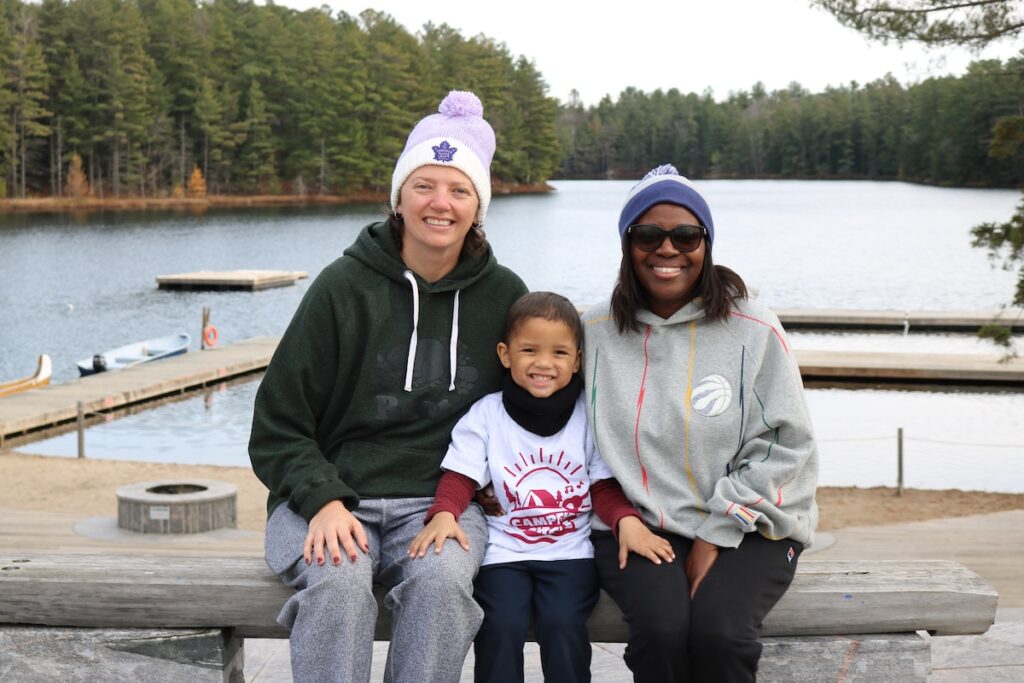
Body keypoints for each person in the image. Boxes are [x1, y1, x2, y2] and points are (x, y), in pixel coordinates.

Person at [248, 90, 528, 683]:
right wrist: (322, 498)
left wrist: (502, 477)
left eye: (459, 190)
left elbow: (531, 403)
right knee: (340, 581)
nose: (440, 203)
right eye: (424, 185)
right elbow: (278, 421)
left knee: (443, 583)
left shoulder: (504, 295)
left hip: (437, 505)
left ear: (478, 205)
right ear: (399, 196)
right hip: (327, 495)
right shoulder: (343, 287)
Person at [582, 164, 819, 683]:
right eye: (648, 234)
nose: (667, 249)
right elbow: (552, 423)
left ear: (706, 244)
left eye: (686, 235)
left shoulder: (753, 328)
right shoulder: (592, 333)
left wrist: (719, 529)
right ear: (627, 244)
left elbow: (789, 444)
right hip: (641, 523)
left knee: (720, 635)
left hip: (754, 523)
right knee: (662, 633)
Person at [407, 291, 673, 683]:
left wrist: (626, 522)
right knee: (500, 625)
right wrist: (445, 514)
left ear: (578, 360)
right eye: (529, 350)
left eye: (560, 353)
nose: (544, 363)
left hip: (569, 555)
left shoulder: (589, 415)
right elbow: (461, 476)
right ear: (505, 354)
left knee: (562, 625)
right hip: (503, 552)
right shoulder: (486, 415)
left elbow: (602, 485)